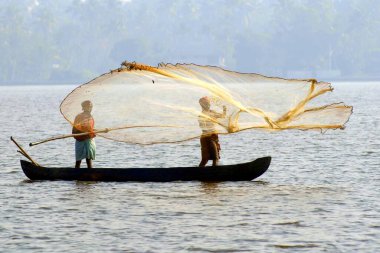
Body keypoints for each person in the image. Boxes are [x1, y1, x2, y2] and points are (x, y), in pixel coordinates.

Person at [198, 96, 227, 167]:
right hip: (207, 137)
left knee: (214, 158)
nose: (208, 105)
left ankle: (212, 173)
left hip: (213, 136)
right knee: (207, 159)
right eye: (206, 104)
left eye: (208, 103)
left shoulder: (212, 112)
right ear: (202, 105)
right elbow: (202, 126)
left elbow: (222, 116)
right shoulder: (201, 115)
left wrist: (224, 109)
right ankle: (200, 173)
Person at [72, 100, 96, 168]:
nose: (90, 108)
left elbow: (90, 128)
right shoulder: (79, 116)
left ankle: (90, 173)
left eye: (91, 107)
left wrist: (99, 131)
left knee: (89, 159)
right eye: (88, 107)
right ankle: (76, 175)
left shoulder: (91, 117)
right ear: (84, 107)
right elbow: (75, 129)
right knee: (78, 160)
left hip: (89, 139)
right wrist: (83, 132)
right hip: (80, 139)